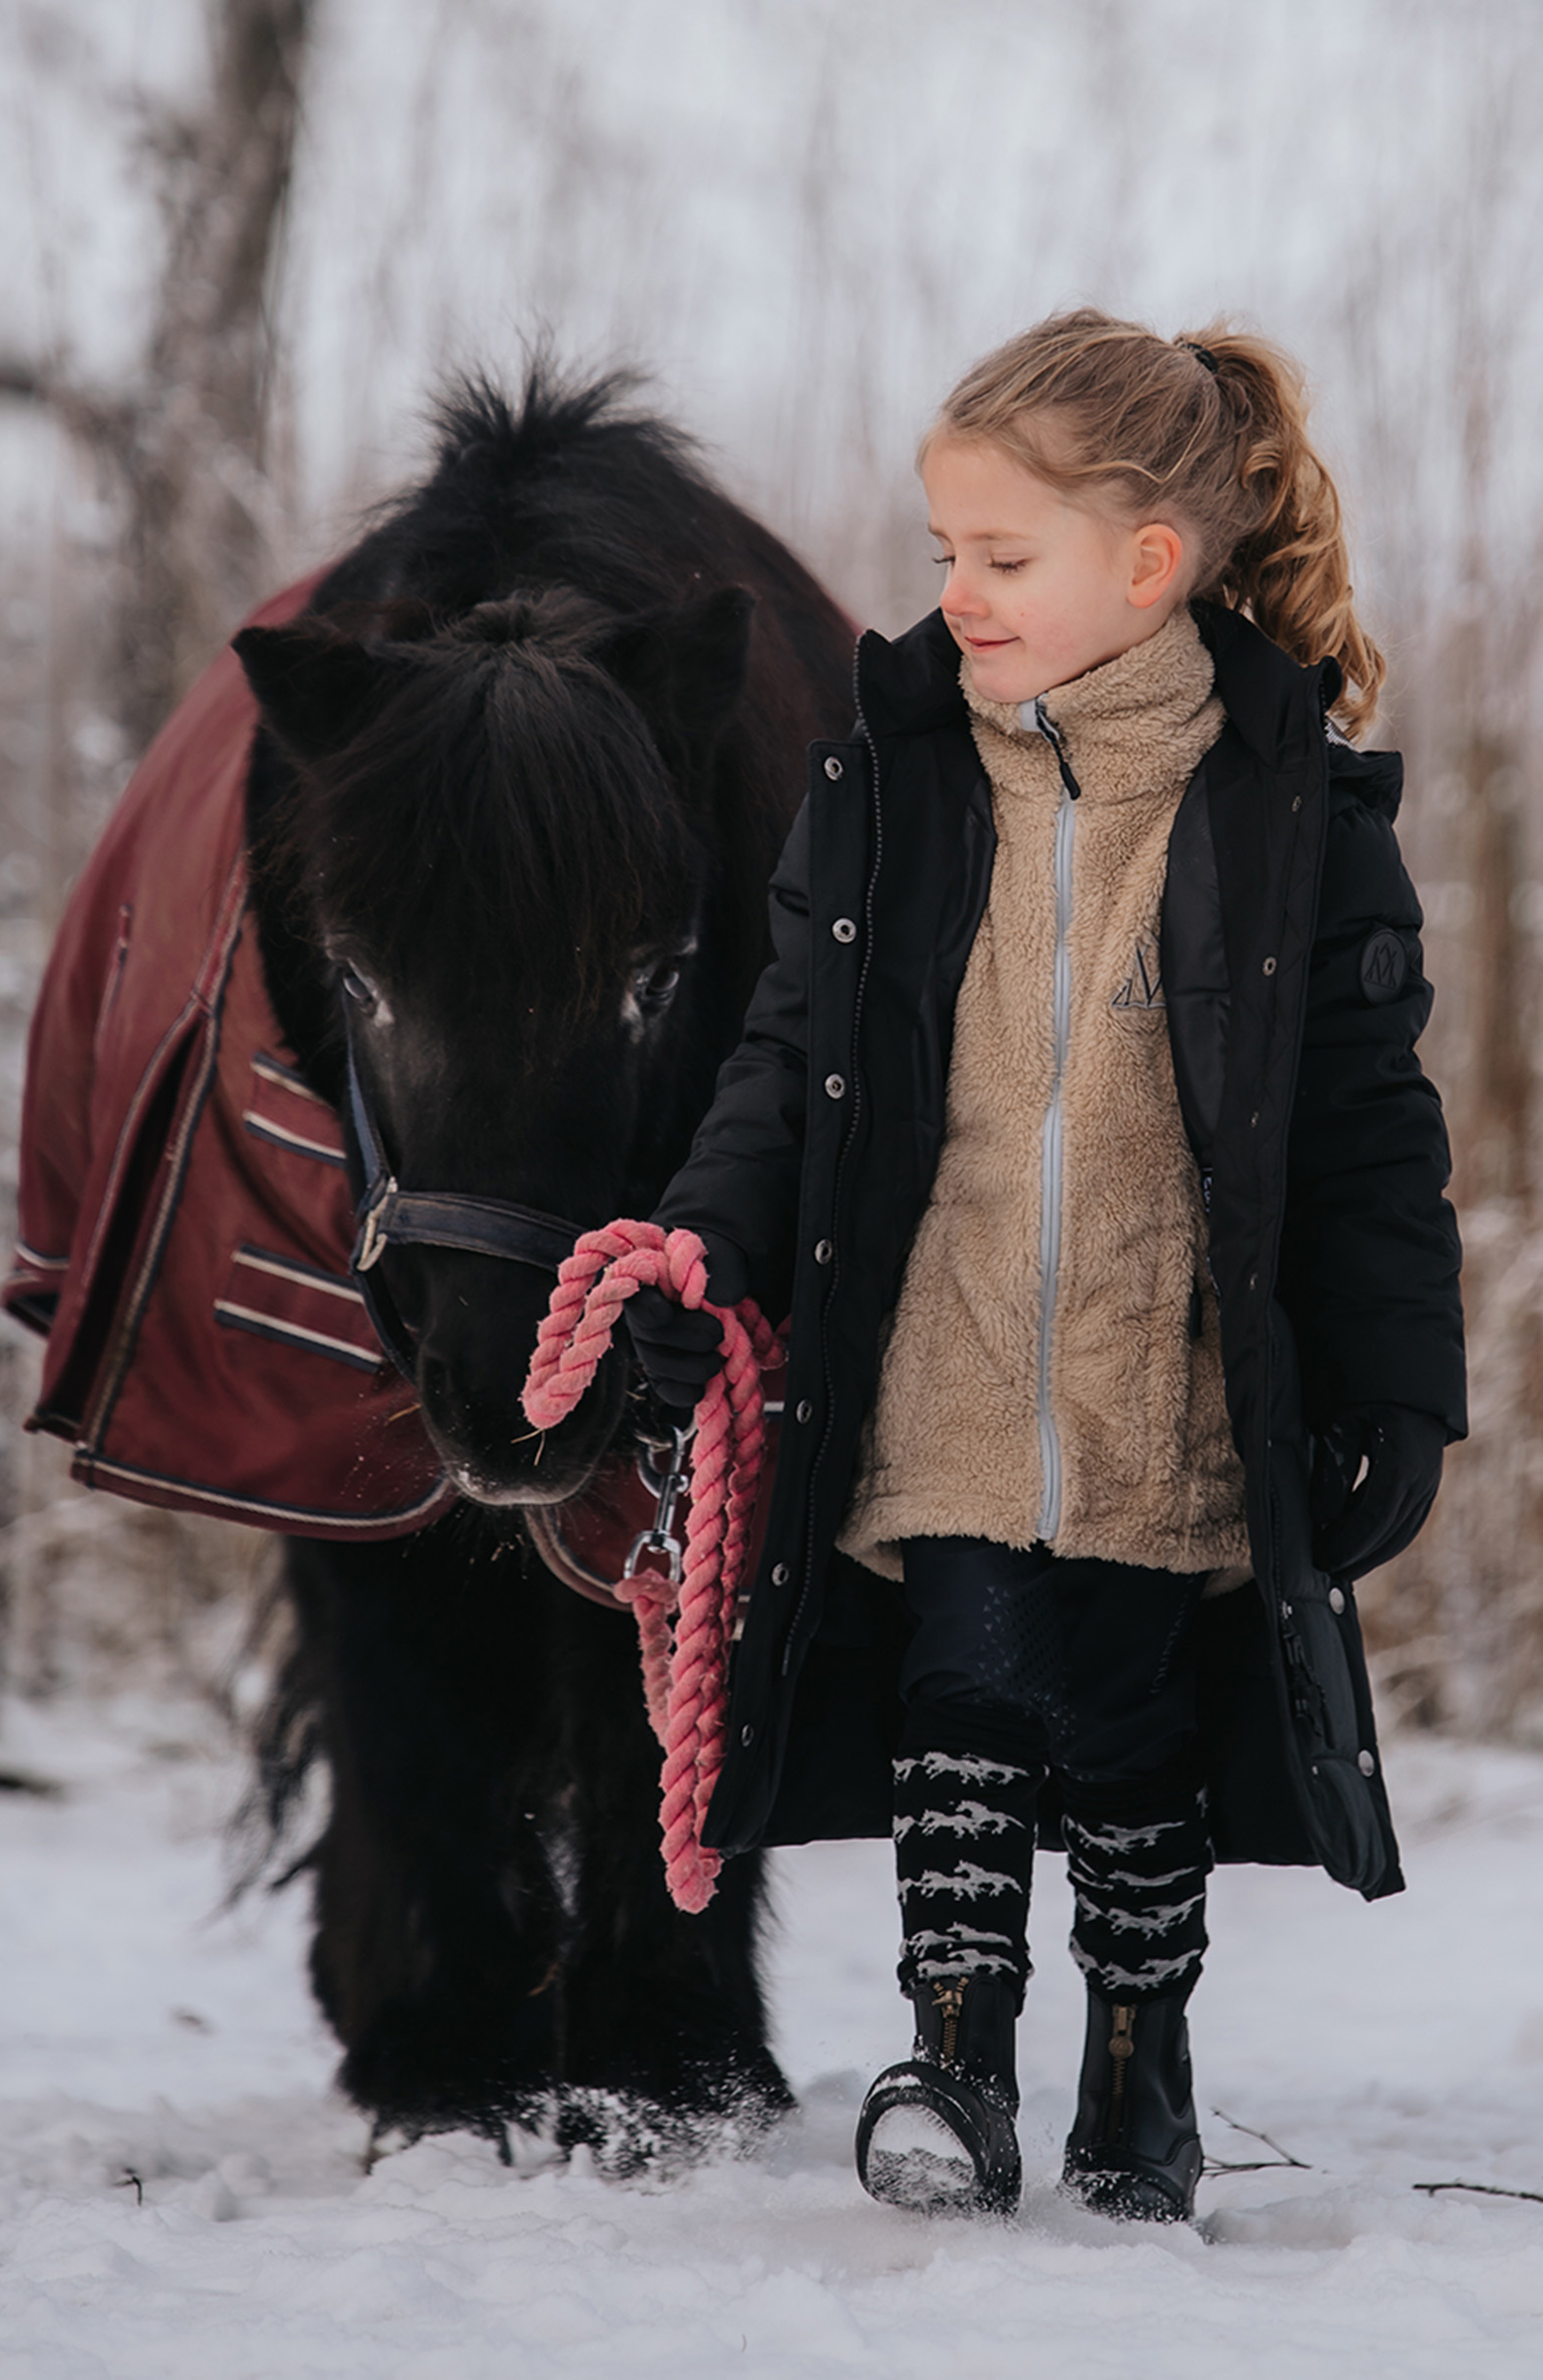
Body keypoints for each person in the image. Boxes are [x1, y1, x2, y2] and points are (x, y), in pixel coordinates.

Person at [624, 308, 1465, 2222]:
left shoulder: (1295, 813)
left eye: (1004, 558)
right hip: (946, 1357)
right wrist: (702, 1250)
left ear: (1148, 566)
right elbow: (789, 1060)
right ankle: (954, 2062)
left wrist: (1403, 1384)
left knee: (1129, 1725)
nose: (960, 593)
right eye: (946, 553)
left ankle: (1142, 2068)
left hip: (1163, 1381)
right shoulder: (897, 786)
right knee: (968, 1681)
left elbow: (1365, 1132)